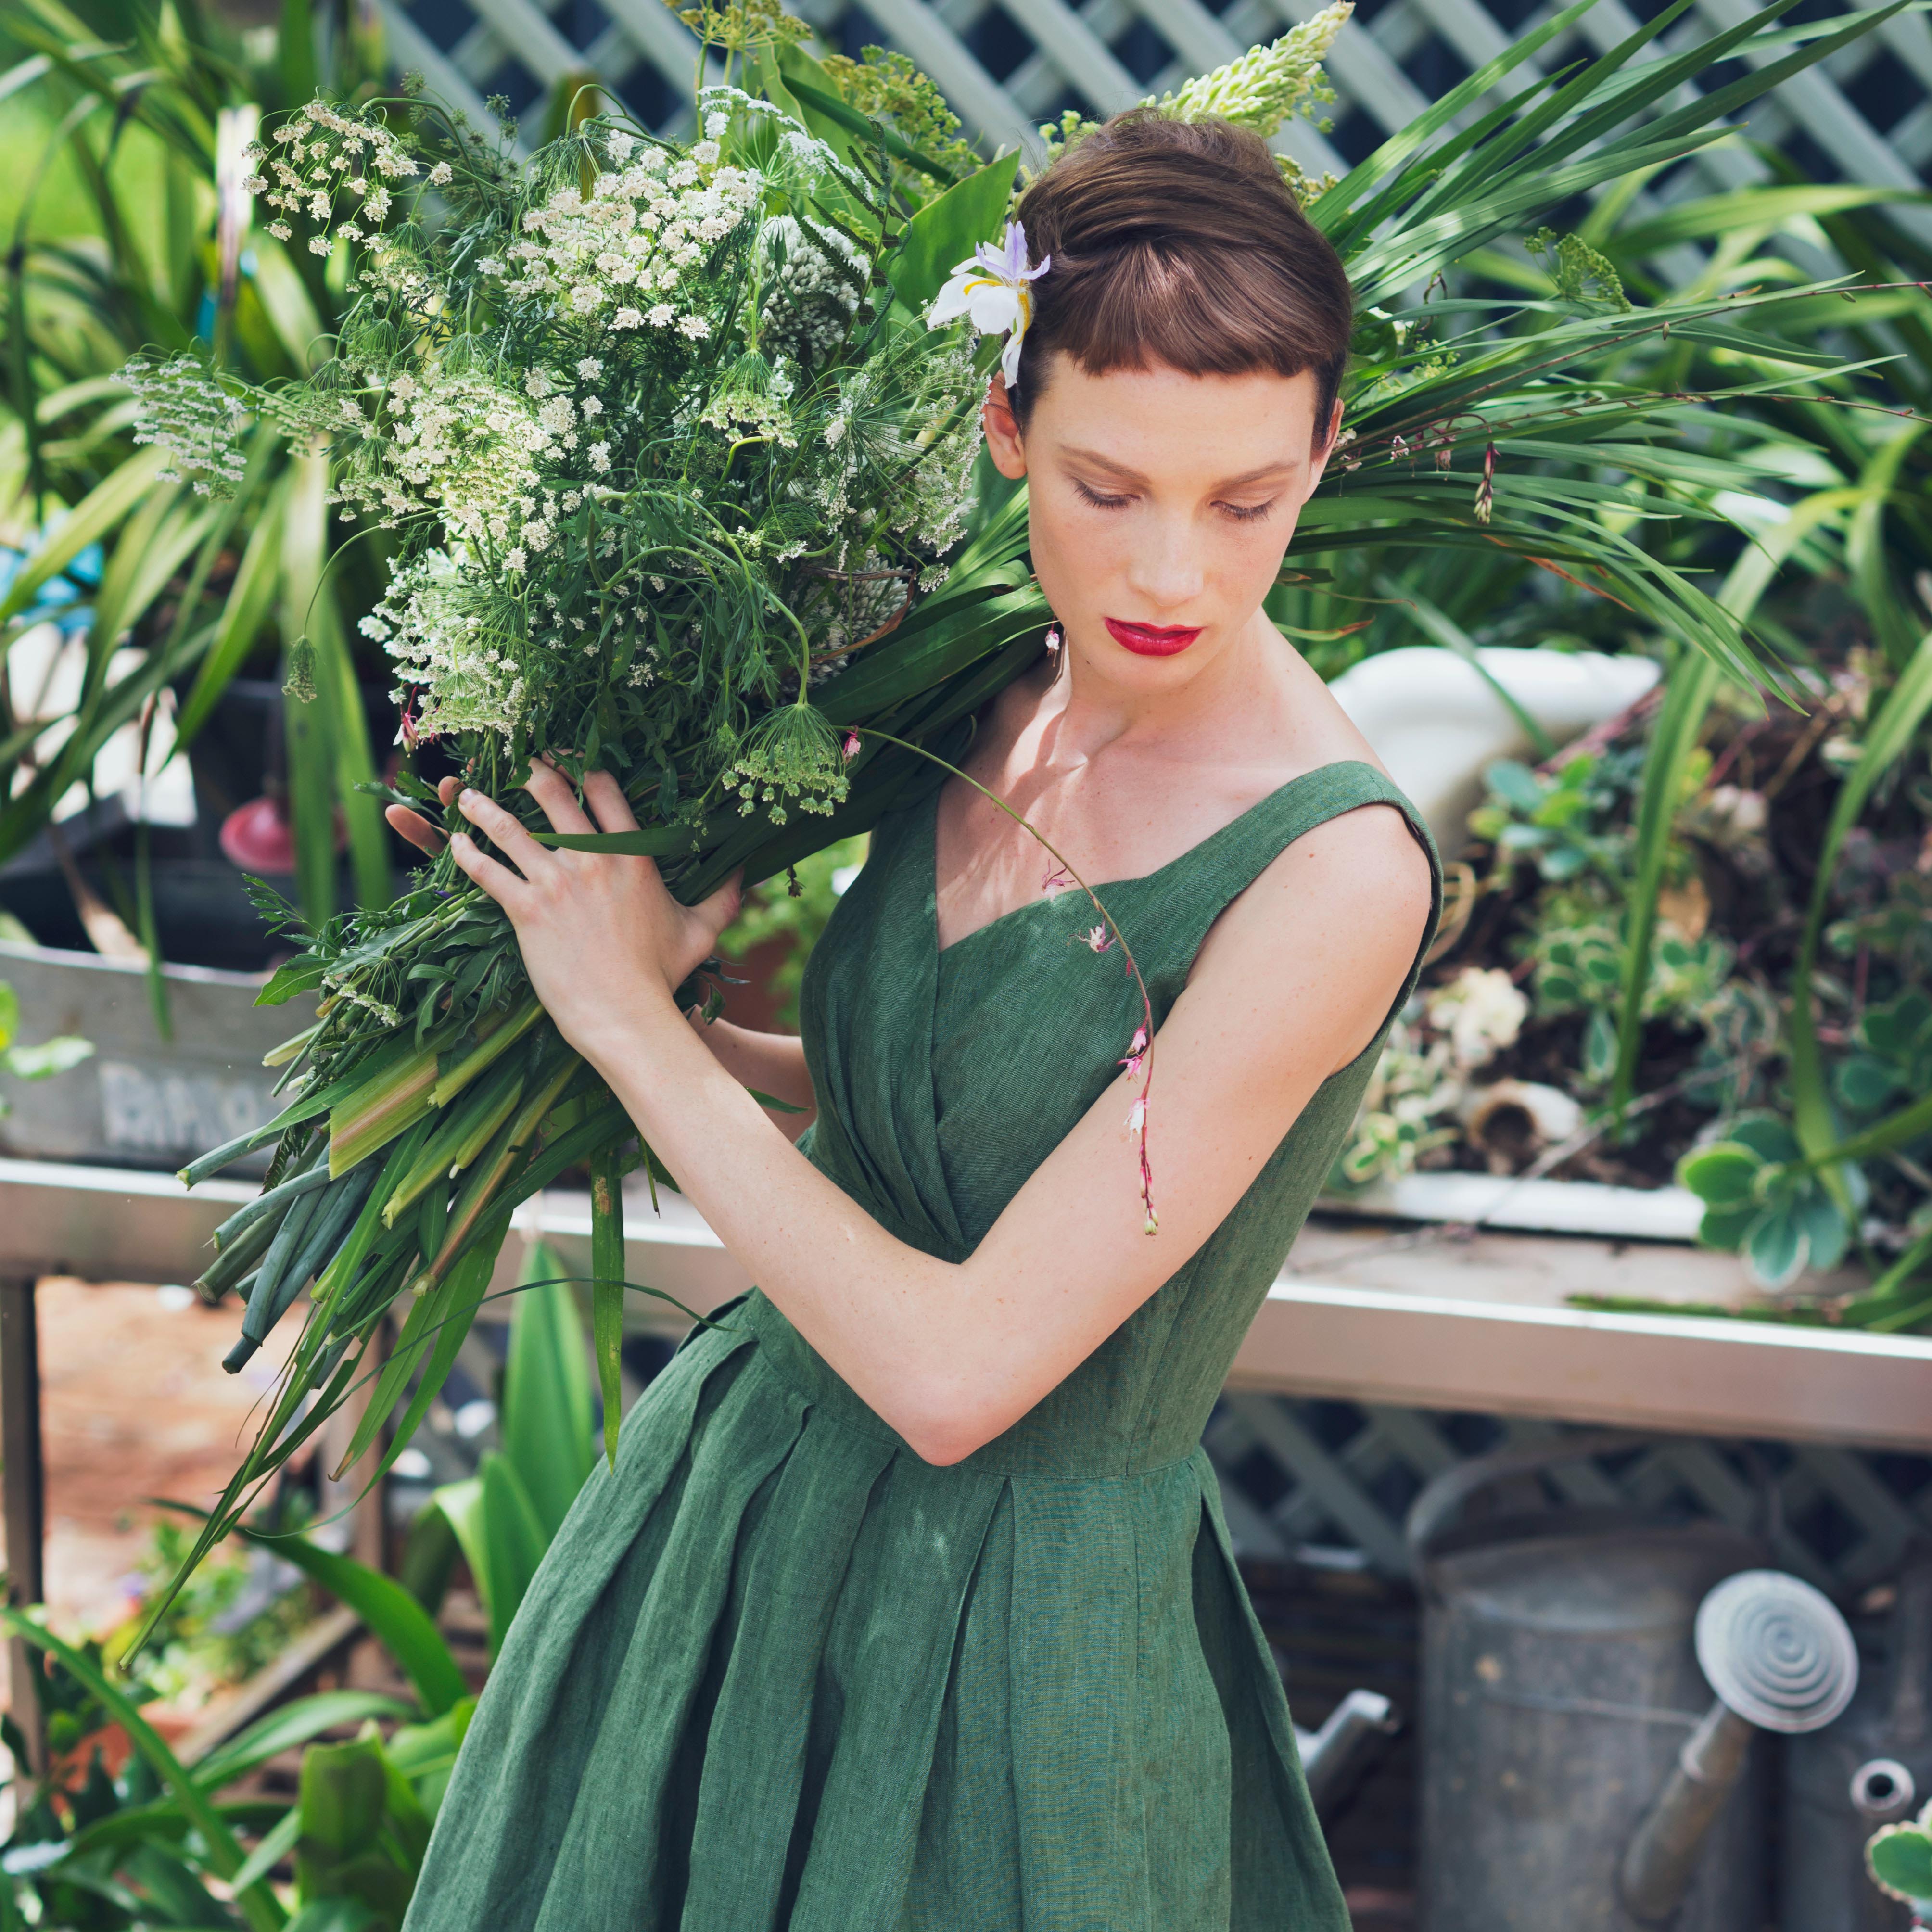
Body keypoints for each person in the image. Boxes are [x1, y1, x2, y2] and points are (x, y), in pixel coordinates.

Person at [391, 110, 1439, 1932]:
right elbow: (933, 1125)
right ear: (1005, 428)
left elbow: (962, 1376)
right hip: (743, 1531)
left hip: (1011, 1651)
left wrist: (633, 1029)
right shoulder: (995, 684)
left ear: (1326, 451)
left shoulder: (1334, 874)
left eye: (1248, 501)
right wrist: (626, 976)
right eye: (1108, 490)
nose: (1171, 575)